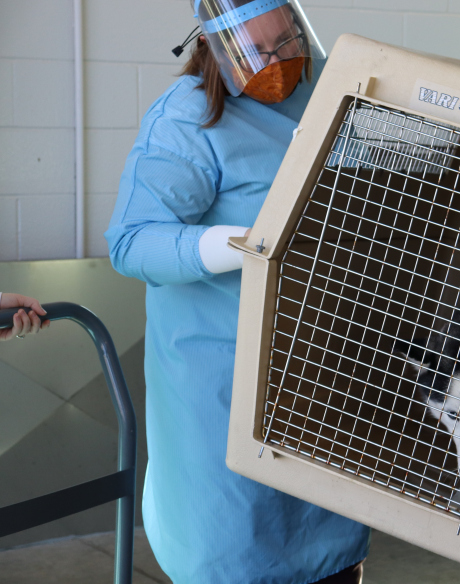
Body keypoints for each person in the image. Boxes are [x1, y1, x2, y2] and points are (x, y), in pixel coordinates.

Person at [105, 1, 370, 582]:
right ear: (216, 47)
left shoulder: (324, 88)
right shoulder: (187, 116)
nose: (278, 62)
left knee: (331, 551)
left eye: (287, 42)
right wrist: (242, 243)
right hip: (221, 382)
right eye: (259, 52)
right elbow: (131, 243)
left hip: (319, 371)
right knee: (236, 549)